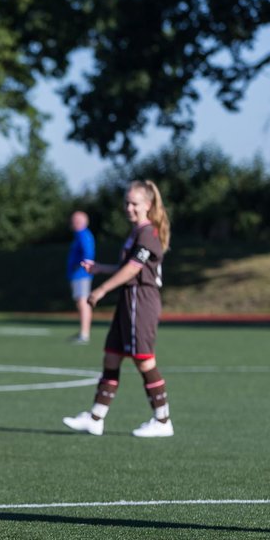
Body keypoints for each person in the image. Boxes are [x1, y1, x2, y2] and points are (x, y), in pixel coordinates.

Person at [63, 180, 173, 438]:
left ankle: (163, 420)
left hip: (141, 299)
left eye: (134, 203)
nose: (129, 208)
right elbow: (130, 267)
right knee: (111, 356)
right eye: (127, 203)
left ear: (148, 205)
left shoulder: (149, 232)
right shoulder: (136, 232)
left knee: (144, 360)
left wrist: (101, 289)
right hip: (128, 298)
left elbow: (135, 269)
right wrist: (101, 268)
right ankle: (95, 418)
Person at [66, 210, 95, 343]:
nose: (73, 223)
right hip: (77, 275)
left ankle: (84, 334)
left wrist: (80, 266)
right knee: (81, 303)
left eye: (76, 220)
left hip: (81, 275)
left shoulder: (83, 235)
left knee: (83, 303)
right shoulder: (78, 235)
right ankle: (83, 332)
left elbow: (87, 254)